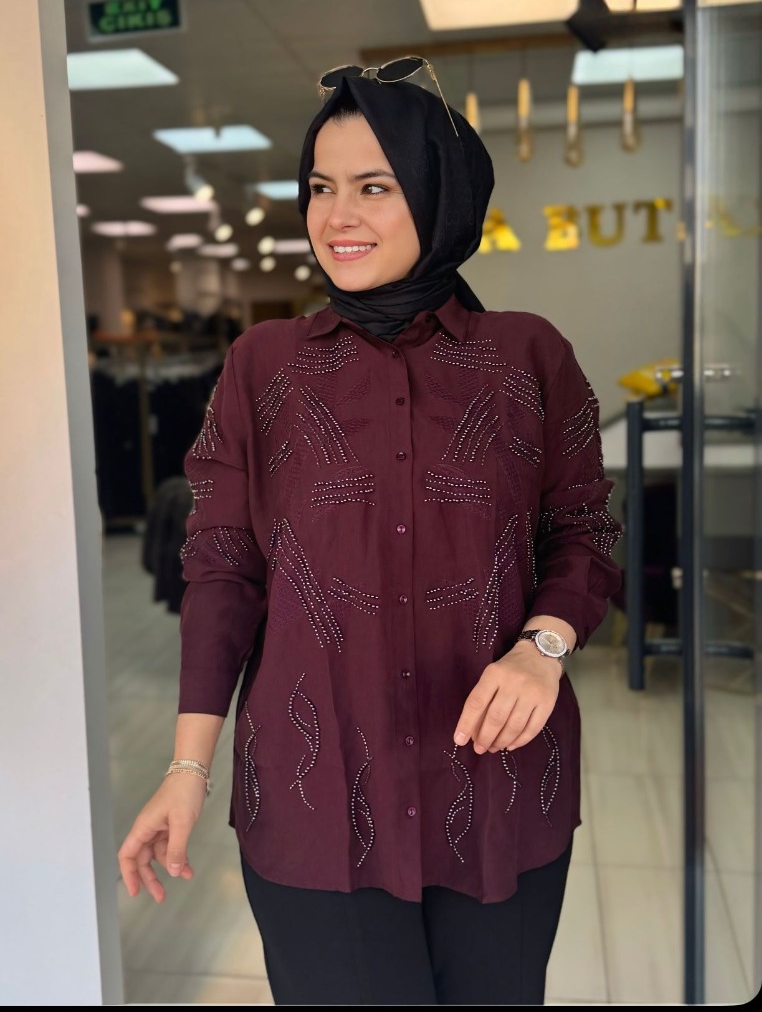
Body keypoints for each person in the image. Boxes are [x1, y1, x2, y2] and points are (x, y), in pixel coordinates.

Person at [118, 60, 622, 1006]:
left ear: (438, 195)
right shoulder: (263, 367)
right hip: (314, 805)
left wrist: (543, 646)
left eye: (374, 187)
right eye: (321, 188)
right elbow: (222, 571)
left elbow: (584, 530)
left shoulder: (528, 356)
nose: (337, 216)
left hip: (499, 792)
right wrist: (187, 767)